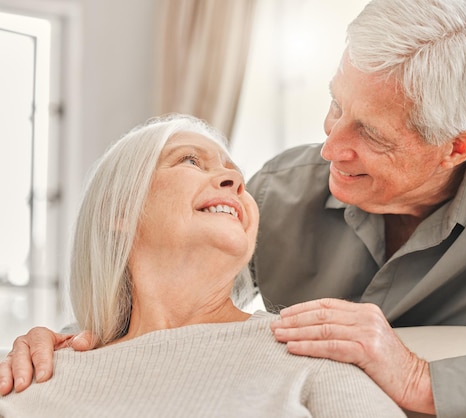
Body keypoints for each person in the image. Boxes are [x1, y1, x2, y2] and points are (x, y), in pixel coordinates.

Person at [2, 0, 466, 415]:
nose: (331, 146)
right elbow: (173, 291)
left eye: (371, 135)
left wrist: (416, 377)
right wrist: (67, 341)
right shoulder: (281, 190)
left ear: (457, 147)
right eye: (335, 106)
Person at [0, 114, 405, 418]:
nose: (232, 180)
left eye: (235, 174)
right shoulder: (35, 373)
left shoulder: (310, 351)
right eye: (191, 161)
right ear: (119, 208)